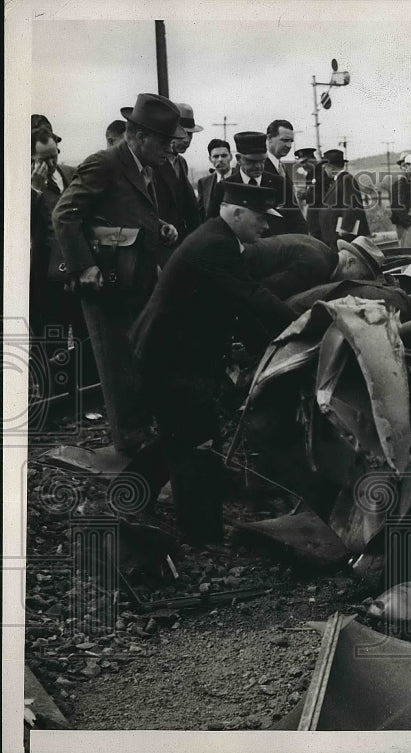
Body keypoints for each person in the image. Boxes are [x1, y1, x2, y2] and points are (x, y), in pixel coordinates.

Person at [125, 183, 297, 543]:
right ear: (235, 212)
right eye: (260, 218)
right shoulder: (217, 245)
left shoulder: (218, 239)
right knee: (197, 441)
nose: (265, 227)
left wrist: (269, 344)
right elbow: (251, 296)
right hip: (171, 359)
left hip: (170, 354)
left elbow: (236, 306)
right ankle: (202, 534)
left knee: (181, 434)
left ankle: (128, 496)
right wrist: (302, 324)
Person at [52, 93, 186, 457]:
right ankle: (130, 444)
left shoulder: (146, 166)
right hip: (104, 281)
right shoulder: (105, 163)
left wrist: (159, 227)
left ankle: (139, 432)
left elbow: (122, 213)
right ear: (139, 136)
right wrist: (85, 266)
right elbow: (65, 215)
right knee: (115, 363)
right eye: (163, 142)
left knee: (136, 357)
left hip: (135, 278)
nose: (168, 150)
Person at [30, 125, 90, 393]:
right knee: (51, 334)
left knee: (82, 330)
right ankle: (50, 394)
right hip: (45, 273)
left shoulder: (69, 173)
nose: (51, 163)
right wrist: (34, 190)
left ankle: (84, 389)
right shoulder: (24, 182)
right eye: (44, 159)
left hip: (73, 265)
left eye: (55, 155)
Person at [219, 131, 307, 235]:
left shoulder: (280, 184)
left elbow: (297, 222)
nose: (258, 166)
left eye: (262, 161)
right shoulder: (226, 186)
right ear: (239, 159)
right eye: (251, 161)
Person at [151, 102, 202, 259]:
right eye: (183, 133)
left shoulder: (181, 162)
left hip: (180, 243)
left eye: (191, 134)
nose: (187, 140)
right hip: (159, 242)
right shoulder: (152, 162)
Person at [312, 148, 370, 245]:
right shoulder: (340, 180)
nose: (324, 170)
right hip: (336, 234)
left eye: (325, 167)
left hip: (343, 235)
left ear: (332, 167)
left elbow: (351, 205)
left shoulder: (346, 179)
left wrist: (345, 228)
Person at [196, 138, 235, 221]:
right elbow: (201, 214)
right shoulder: (204, 183)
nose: (220, 160)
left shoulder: (241, 176)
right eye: (216, 156)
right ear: (210, 159)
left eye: (224, 156)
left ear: (230, 157)